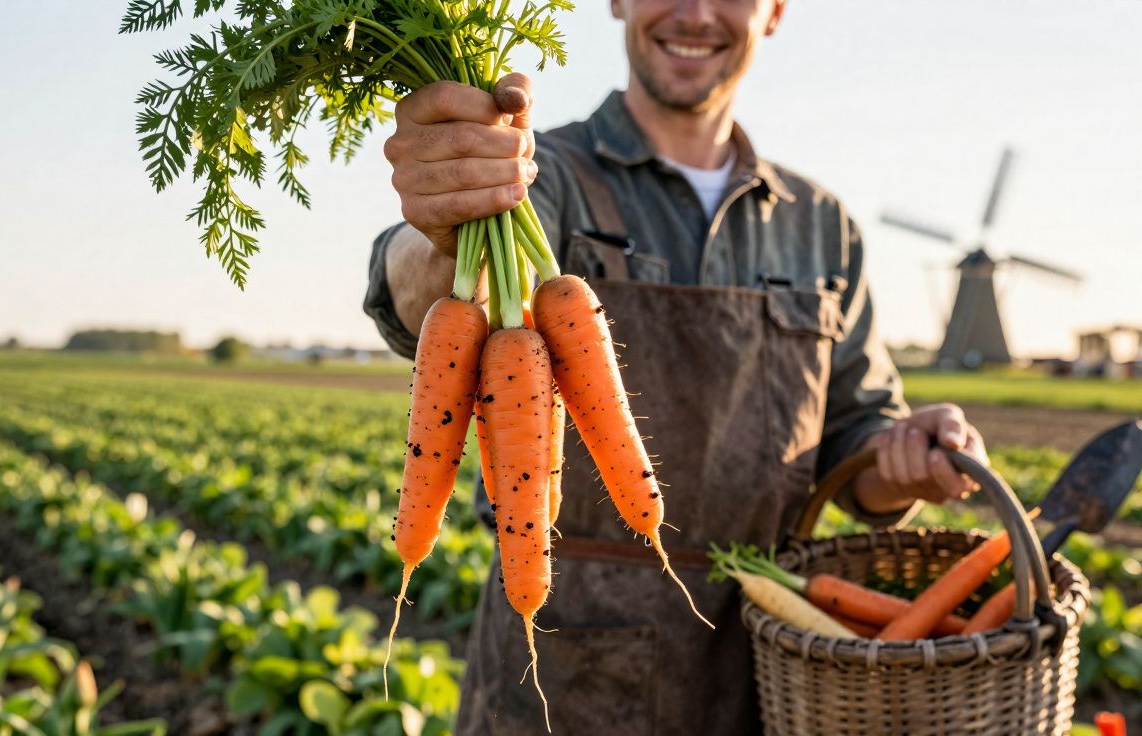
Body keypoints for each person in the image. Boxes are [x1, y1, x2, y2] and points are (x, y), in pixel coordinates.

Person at [364, 1, 989, 733]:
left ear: (775, 12)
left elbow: (857, 437)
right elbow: (412, 286)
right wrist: (442, 223)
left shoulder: (822, 227)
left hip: (774, 670)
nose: (695, 12)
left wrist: (905, 458)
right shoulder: (537, 174)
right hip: (561, 680)